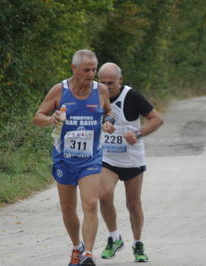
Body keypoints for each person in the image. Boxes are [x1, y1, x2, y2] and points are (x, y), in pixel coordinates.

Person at [33, 49, 115, 266]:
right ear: (74, 69)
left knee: (90, 202)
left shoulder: (101, 91)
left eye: (94, 70)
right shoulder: (60, 90)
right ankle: (76, 247)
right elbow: (37, 117)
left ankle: (88, 253)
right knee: (68, 207)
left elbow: (109, 112)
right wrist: (51, 119)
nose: (90, 74)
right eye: (86, 70)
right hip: (64, 158)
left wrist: (109, 122)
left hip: (91, 158)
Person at [97, 63, 163, 262]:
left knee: (133, 204)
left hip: (132, 160)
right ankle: (114, 237)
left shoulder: (132, 96)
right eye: (103, 82)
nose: (107, 87)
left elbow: (156, 119)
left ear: (120, 80)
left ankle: (138, 243)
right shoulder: (96, 96)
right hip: (108, 159)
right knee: (104, 195)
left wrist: (138, 133)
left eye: (111, 82)